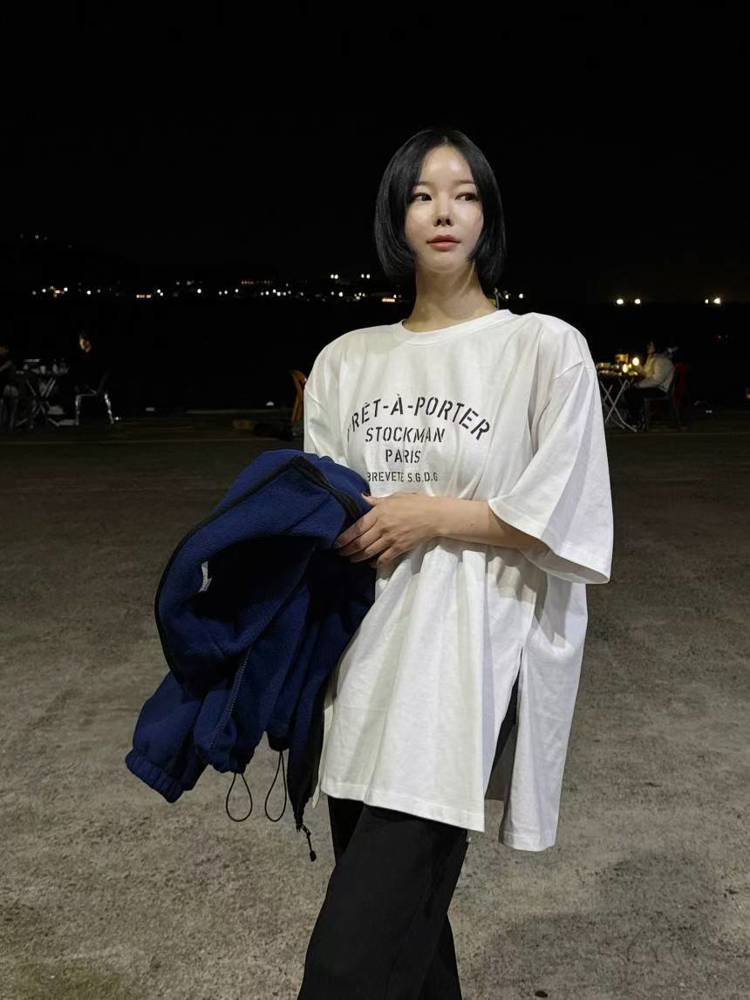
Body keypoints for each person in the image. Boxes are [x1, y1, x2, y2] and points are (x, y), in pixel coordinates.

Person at [297, 125, 613, 999]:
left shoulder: (541, 347)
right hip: (362, 675)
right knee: (413, 952)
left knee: (347, 969)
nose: (445, 212)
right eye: (423, 195)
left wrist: (430, 514)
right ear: (395, 216)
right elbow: (323, 509)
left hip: (461, 679)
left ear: (488, 217)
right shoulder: (346, 361)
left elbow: (567, 515)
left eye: (466, 194)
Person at [55, 331, 110, 418]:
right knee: (65, 381)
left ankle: (65, 411)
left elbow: (102, 373)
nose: (80, 343)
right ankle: (64, 409)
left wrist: (99, 388)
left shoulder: (94, 356)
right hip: (87, 383)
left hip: (92, 386)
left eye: (81, 340)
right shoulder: (85, 355)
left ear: (87, 342)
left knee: (64, 383)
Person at [623, 339, 676, 429]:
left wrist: (639, 385)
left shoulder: (662, 360)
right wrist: (637, 368)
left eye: (650, 345)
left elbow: (657, 380)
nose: (647, 346)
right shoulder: (653, 358)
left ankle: (636, 420)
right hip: (656, 387)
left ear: (656, 347)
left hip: (661, 389)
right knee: (631, 391)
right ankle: (637, 418)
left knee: (631, 393)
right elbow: (648, 374)